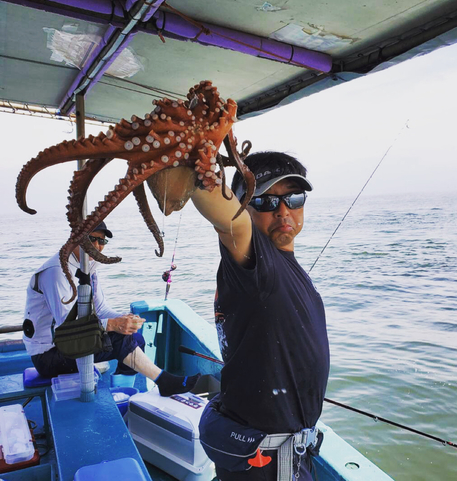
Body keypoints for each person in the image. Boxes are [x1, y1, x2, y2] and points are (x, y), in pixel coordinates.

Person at [191, 152, 330, 480]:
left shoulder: (282, 266)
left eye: (294, 199)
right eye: (266, 201)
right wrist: (195, 160)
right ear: (242, 206)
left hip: (286, 453)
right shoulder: (255, 264)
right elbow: (229, 221)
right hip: (267, 464)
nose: (284, 211)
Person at [22, 221, 199, 396]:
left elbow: (99, 308)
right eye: (93, 240)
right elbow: (68, 326)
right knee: (118, 339)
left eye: (103, 242)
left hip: (71, 346)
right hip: (49, 356)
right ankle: (165, 381)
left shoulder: (86, 265)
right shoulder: (56, 271)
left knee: (135, 337)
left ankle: (120, 392)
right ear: (75, 238)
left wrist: (124, 319)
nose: (98, 247)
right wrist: (113, 325)